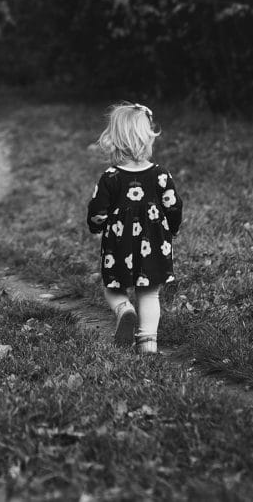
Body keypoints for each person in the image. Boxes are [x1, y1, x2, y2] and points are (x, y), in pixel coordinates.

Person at [86, 103, 183, 354]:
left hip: (120, 244)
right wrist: (172, 228)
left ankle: (124, 310)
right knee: (150, 294)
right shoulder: (161, 175)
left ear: (113, 140)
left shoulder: (111, 176)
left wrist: (95, 227)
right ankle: (148, 343)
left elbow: (97, 211)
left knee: (113, 288)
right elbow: (173, 205)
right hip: (155, 243)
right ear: (148, 137)